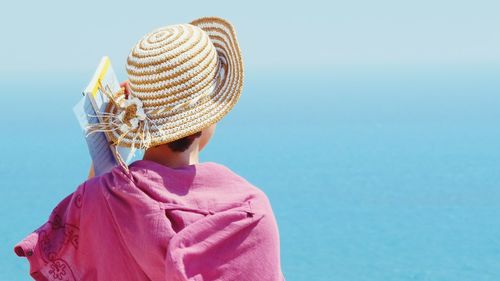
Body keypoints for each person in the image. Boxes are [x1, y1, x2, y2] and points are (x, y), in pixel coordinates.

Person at [14, 16, 285, 281]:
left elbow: (76, 241)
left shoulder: (98, 199)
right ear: (209, 115)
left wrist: (105, 149)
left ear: (135, 116)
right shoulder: (250, 212)